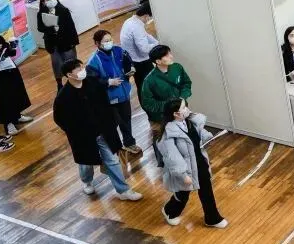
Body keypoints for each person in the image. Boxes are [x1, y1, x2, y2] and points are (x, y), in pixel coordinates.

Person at [53, 59, 143, 201]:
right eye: (78, 69)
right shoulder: (63, 97)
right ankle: (87, 181)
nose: (83, 70)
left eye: (82, 67)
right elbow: (59, 119)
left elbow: (105, 103)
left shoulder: (92, 83)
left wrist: (110, 121)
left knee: (112, 160)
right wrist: (76, 131)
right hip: (83, 136)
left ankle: (123, 190)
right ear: (69, 75)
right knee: (86, 163)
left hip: (103, 131)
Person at [156, 98, 227, 226]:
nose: (187, 109)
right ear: (176, 114)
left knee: (206, 190)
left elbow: (199, 134)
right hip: (185, 169)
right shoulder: (168, 134)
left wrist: (208, 137)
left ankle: (212, 218)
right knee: (183, 194)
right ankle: (169, 211)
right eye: (184, 107)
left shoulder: (190, 122)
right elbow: (172, 157)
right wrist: (183, 175)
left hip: (199, 162)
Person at [85, 30, 141, 155]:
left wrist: (131, 68)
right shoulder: (94, 61)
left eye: (110, 39)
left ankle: (129, 143)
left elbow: (128, 61)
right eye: (106, 41)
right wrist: (108, 82)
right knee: (112, 124)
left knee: (126, 120)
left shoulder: (119, 50)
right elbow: (91, 81)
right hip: (108, 99)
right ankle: (115, 148)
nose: (109, 42)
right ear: (97, 43)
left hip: (124, 94)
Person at [36, 0, 79, 90]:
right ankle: (59, 84)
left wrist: (74, 41)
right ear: (43, 2)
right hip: (52, 43)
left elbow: (71, 26)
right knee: (56, 63)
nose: (51, 0)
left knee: (70, 62)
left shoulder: (64, 10)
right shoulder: (41, 13)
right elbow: (40, 28)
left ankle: (73, 81)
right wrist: (52, 29)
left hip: (66, 41)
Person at [140, 45, 192, 123]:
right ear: (158, 61)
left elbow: (186, 83)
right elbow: (148, 103)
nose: (171, 56)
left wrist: (182, 98)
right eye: (167, 56)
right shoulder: (149, 80)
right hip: (164, 117)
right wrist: (170, 106)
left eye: (170, 53)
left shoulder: (177, 67)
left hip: (182, 111)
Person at [120, 0, 159, 94]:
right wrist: (157, 45)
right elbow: (144, 49)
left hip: (133, 60)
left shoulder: (130, 21)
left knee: (141, 85)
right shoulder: (136, 27)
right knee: (147, 87)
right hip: (140, 62)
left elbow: (145, 36)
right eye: (150, 17)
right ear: (146, 16)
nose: (149, 20)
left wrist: (157, 42)